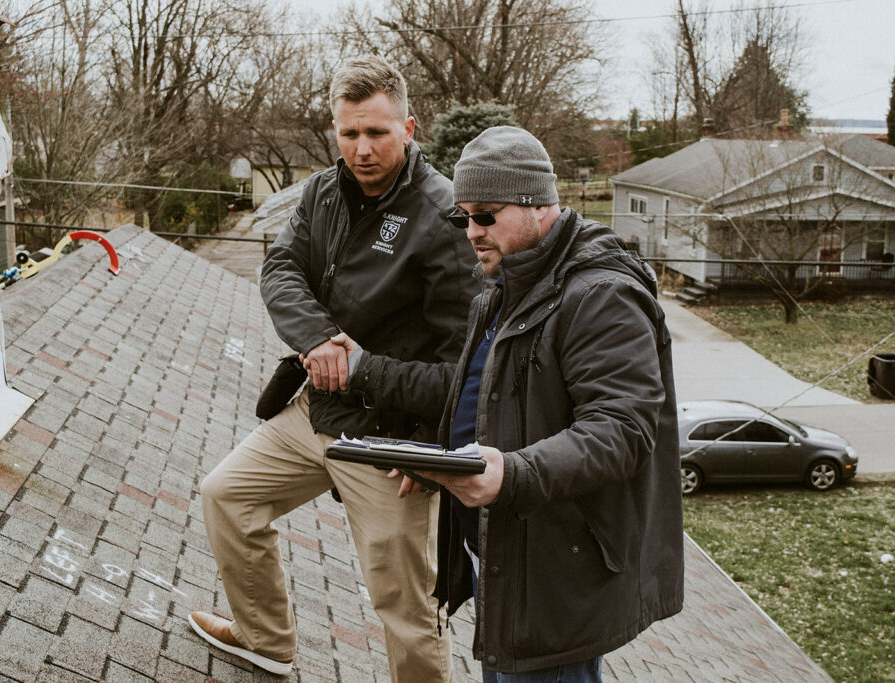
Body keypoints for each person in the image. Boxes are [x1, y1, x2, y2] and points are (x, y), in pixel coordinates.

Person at [188, 55, 477, 680]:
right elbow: (280, 268)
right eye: (349, 133)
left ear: (409, 127)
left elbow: (464, 373)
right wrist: (319, 339)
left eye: (376, 132)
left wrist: (432, 450)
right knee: (226, 496)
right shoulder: (322, 191)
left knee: (406, 605)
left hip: (393, 441)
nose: (362, 148)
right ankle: (264, 639)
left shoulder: (445, 217)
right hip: (317, 411)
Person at [413, 126, 685, 681]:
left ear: (539, 205)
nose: (471, 232)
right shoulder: (509, 283)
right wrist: (438, 458)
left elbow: (622, 429)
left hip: (557, 572)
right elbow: (493, 395)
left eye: (485, 215)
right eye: (461, 216)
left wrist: (512, 474)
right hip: (508, 552)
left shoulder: (601, 294)